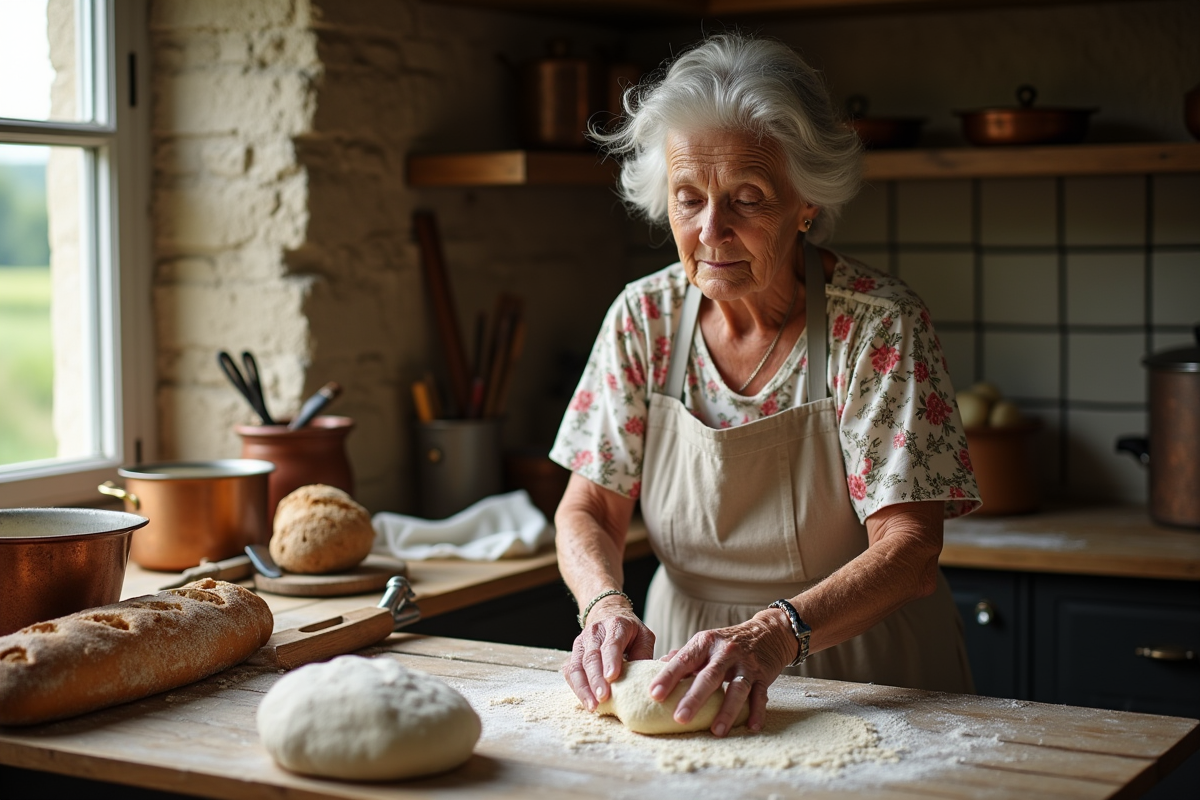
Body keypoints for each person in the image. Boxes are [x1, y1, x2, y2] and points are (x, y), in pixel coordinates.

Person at [548, 33, 980, 739]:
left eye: (746, 199)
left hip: (864, 672)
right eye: (688, 199)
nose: (711, 230)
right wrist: (603, 608)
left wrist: (774, 635)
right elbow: (587, 509)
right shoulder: (644, 319)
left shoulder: (875, 325)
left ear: (806, 201)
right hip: (678, 661)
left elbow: (909, 550)